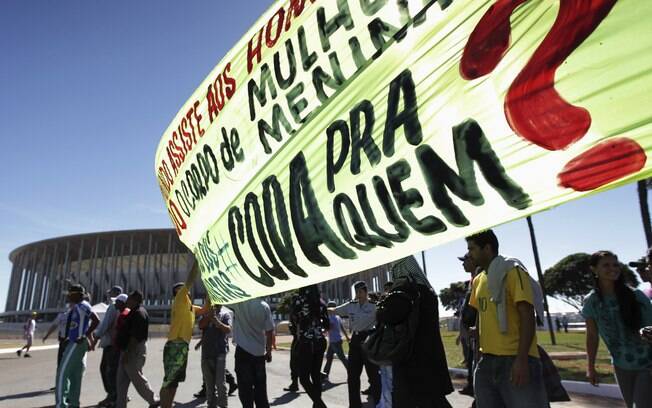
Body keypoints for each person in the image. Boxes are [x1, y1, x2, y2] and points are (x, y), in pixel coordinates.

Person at [466, 230, 548, 408]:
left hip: (515, 360)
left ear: (487, 248)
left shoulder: (512, 270)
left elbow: (527, 314)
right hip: (487, 363)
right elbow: (481, 316)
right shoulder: (478, 280)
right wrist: (479, 357)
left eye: (472, 249)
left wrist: (522, 360)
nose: (468, 254)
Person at [583, 250, 652, 408]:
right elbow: (592, 336)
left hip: (647, 364)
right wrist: (591, 368)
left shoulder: (637, 296)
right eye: (606, 265)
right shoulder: (591, 301)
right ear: (594, 269)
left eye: (615, 265)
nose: (612, 268)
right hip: (621, 366)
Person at [390, 257, 453, 408]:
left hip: (411, 361)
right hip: (430, 357)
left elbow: (392, 322)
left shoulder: (404, 295)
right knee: (434, 400)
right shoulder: (428, 293)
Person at [160, 262, 202, 408]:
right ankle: (164, 405)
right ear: (177, 291)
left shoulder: (190, 306)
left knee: (175, 381)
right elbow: (190, 281)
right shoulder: (179, 299)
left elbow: (206, 309)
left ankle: (168, 404)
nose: (186, 290)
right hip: (175, 344)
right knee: (169, 380)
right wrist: (196, 264)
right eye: (182, 288)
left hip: (182, 345)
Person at [334, 281, 381, 408]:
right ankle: (354, 404)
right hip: (355, 340)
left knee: (373, 374)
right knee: (352, 375)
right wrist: (320, 307)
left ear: (366, 292)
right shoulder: (351, 305)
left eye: (360, 291)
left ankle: (379, 403)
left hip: (369, 340)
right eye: (356, 292)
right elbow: (334, 310)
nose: (358, 294)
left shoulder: (374, 306)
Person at [55, 284, 100, 408]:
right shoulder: (77, 307)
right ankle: (73, 404)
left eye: (70, 294)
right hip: (74, 341)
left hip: (77, 343)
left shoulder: (83, 306)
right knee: (75, 376)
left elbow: (96, 320)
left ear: (76, 295)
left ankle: (60, 405)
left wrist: (84, 335)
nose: (68, 297)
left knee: (62, 373)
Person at [115, 291, 159, 408]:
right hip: (126, 350)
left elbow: (135, 338)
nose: (127, 301)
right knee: (121, 381)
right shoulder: (132, 312)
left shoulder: (139, 313)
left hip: (133, 351)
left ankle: (153, 399)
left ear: (134, 300)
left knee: (137, 378)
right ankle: (120, 405)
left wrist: (127, 354)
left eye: (129, 299)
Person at [229, 297, 275, 408]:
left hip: (243, 352)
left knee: (245, 390)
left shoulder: (239, 303)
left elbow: (224, 299)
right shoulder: (264, 306)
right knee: (260, 389)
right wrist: (268, 351)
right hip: (259, 353)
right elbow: (269, 331)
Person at [290, 285, 329, 408]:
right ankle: (317, 404)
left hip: (306, 342)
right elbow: (327, 324)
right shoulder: (320, 302)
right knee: (316, 375)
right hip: (320, 341)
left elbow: (293, 319)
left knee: (304, 378)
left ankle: (320, 404)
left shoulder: (298, 300)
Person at [195, 297, 232, 408]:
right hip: (206, 353)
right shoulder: (206, 314)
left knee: (220, 383)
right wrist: (208, 316)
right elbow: (201, 326)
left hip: (220, 352)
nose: (215, 305)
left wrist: (217, 321)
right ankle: (211, 405)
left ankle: (223, 405)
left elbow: (228, 329)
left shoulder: (225, 315)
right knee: (209, 384)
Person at [94, 285, 123, 407]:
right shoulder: (123, 305)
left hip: (111, 343)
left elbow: (105, 323)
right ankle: (120, 394)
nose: (108, 294)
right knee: (116, 370)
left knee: (107, 370)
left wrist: (96, 336)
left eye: (110, 292)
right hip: (118, 343)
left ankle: (112, 396)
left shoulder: (113, 306)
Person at [456, 254, 478, 399]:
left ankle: (475, 388)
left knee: (475, 361)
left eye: (466, 261)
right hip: (468, 332)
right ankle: (472, 386)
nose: (463, 264)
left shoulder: (479, 279)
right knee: (470, 360)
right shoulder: (471, 281)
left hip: (475, 332)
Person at [43, 306, 71, 390]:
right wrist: (47, 336)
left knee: (70, 364)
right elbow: (54, 326)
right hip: (63, 341)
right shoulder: (61, 316)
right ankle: (59, 384)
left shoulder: (75, 315)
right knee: (60, 363)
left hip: (71, 342)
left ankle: (67, 385)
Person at [321, 301, 349, 380]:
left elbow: (329, 327)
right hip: (335, 340)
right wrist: (346, 337)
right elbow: (342, 328)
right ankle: (325, 374)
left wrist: (322, 331)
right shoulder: (337, 317)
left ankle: (351, 372)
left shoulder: (331, 318)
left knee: (342, 358)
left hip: (335, 341)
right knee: (329, 357)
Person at [378, 281, 394, 408]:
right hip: (384, 348)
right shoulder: (384, 304)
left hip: (390, 349)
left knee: (389, 379)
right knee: (385, 378)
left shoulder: (395, 306)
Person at [283, 291, 300, 393]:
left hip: (298, 340)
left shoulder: (295, 312)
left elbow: (296, 326)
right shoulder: (297, 311)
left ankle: (295, 384)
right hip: (298, 338)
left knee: (294, 363)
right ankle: (294, 383)